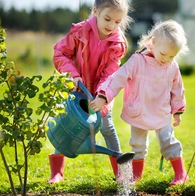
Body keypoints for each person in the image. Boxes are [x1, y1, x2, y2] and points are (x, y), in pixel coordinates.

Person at [90, 20, 189, 186]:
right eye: (163, 54)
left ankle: (181, 173)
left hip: (161, 111)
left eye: (172, 56)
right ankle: (136, 176)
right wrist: (103, 97)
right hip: (139, 110)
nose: (166, 59)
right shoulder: (137, 61)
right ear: (153, 43)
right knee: (137, 144)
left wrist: (177, 111)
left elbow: (178, 89)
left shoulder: (172, 67)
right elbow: (117, 78)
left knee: (168, 141)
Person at [48, 0, 133, 184]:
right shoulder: (79, 32)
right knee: (67, 126)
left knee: (107, 128)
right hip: (75, 90)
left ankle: (121, 174)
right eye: (107, 19)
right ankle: (57, 173)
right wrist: (72, 75)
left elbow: (111, 74)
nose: (111, 26)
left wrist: (102, 96)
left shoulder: (117, 44)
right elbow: (60, 53)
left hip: (101, 94)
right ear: (95, 11)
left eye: (117, 22)